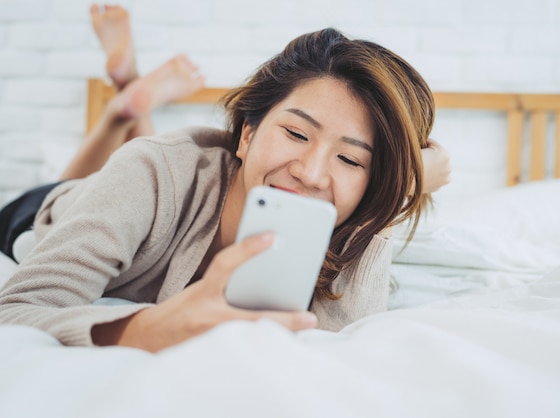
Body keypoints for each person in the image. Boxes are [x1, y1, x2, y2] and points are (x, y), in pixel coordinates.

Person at [0, 13, 449, 352]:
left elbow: (337, 341)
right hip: (42, 211)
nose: (310, 174)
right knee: (118, 175)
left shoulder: (355, 213)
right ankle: (122, 108)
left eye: (351, 159)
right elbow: (15, 312)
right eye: (295, 133)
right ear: (248, 134)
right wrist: (141, 330)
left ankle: (129, 104)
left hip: (161, 179)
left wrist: (394, 195)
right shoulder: (154, 170)